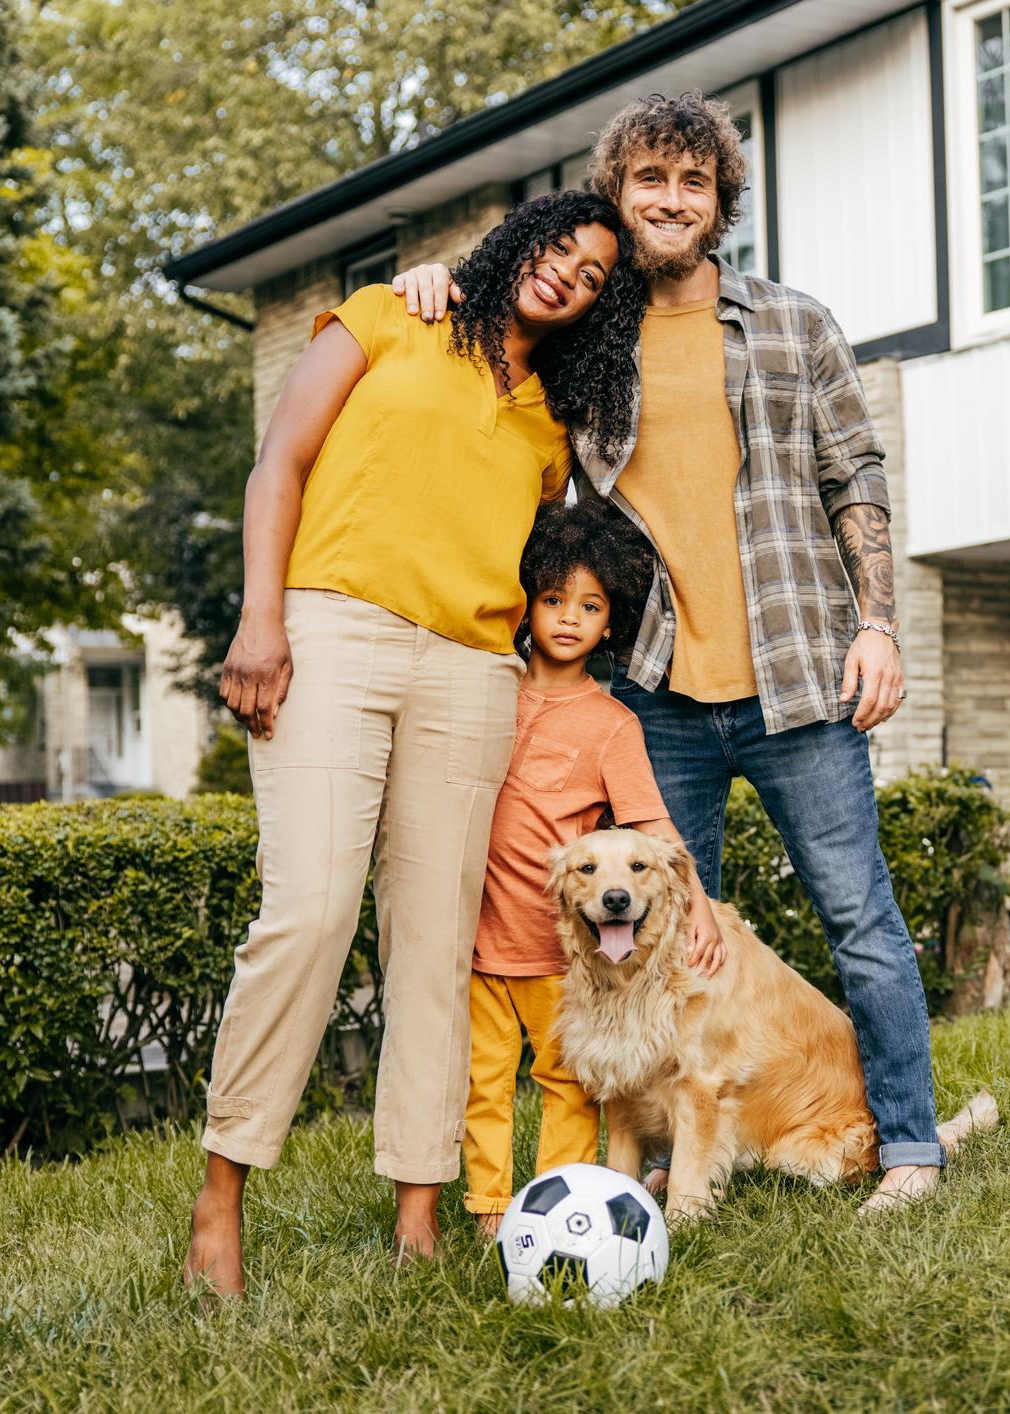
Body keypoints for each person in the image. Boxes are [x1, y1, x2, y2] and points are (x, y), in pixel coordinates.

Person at [393, 92, 941, 1216]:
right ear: (620, 192)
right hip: (653, 699)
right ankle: (672, 1153)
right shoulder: (589, 343)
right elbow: (501, 312)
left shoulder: (793, 324)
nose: (671, 201)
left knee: (860, 922)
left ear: (719, 201)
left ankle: (911, 1146)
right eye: (650, 180)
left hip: (798, 683)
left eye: (693, 183)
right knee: (663, 942)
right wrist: (432, 279)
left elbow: (858, 479)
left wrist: (878, 625)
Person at [184, 190, 647, 1297]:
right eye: (559, 251)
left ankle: (421, 1214)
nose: (566, 277)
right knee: (309, 910)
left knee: (437, 943)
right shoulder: (391, 316)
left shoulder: (548, 425)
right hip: (331, 627)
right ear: (517, 243)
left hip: (470, 671)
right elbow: (278, 466)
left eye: (591, 278)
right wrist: (261, 618)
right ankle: (221, 1192)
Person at [462, 497, 722, 1238]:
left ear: (612, 623)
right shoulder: (488, 691)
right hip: (478, 943)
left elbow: (653, 828)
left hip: (557, 957)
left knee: (567, 1090)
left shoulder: (613, 725)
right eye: (553, 600)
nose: (570, 618)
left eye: (591, 605)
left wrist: (698, 904)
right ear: (526, 604)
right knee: (481, 1085)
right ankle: (488, 1213)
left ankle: (554, 1211)